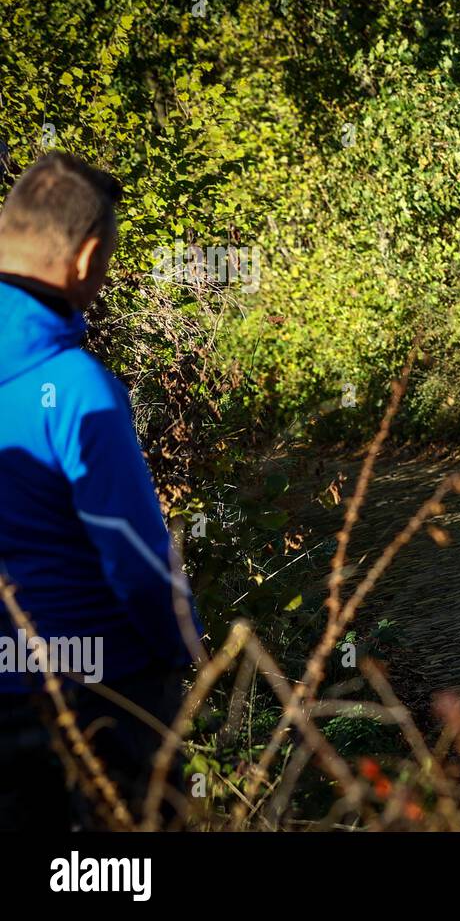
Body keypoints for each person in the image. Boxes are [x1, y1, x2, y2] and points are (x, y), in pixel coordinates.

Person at [0, 152, 204, 830]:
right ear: (86, 257)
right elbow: (133, 555)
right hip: (106, 691)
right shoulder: (76, 388)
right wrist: (186, 646)